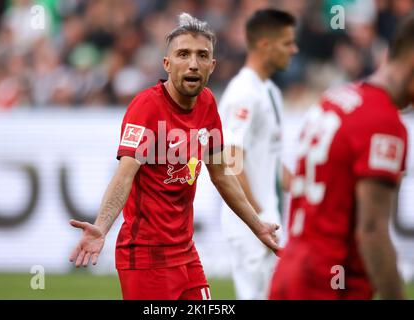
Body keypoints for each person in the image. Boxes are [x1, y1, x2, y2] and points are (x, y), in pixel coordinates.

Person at [68, 12, 280, 300]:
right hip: (145, 257)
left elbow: (220, 172)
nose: (193, 63)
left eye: (201, 55)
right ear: (167, 64)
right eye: (183, 54)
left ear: (212, 65)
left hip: (186, 253)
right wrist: (102, 226)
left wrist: (257, 226)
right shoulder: (146, 107)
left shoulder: (207, 104)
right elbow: (125, 173)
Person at [269, 13, 414, 300]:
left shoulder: (336, 98)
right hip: (329, 281)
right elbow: (371, 230)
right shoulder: (382, 122)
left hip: (292, 270)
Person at [219, 9, 298, 300]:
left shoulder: (269, 92)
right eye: (287, 43)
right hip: (253, 223)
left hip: (269, 220)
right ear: (265, 44)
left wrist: (311, 188)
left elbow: (272, 162)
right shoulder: (243, 93)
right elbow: (230, 161)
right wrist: (258, 217)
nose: (294, 49)